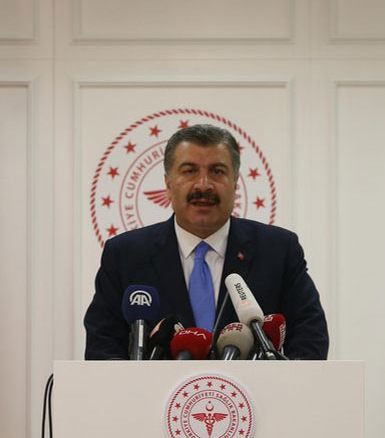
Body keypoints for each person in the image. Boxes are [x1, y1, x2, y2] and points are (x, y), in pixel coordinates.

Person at [84, 124, 329, 360]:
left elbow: (310, 338)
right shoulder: (125, 254)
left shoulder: (278, 250)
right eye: (189, 171)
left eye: (218, 171)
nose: (204, 185)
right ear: (169, 185)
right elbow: (102, 346)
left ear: (235, 184)